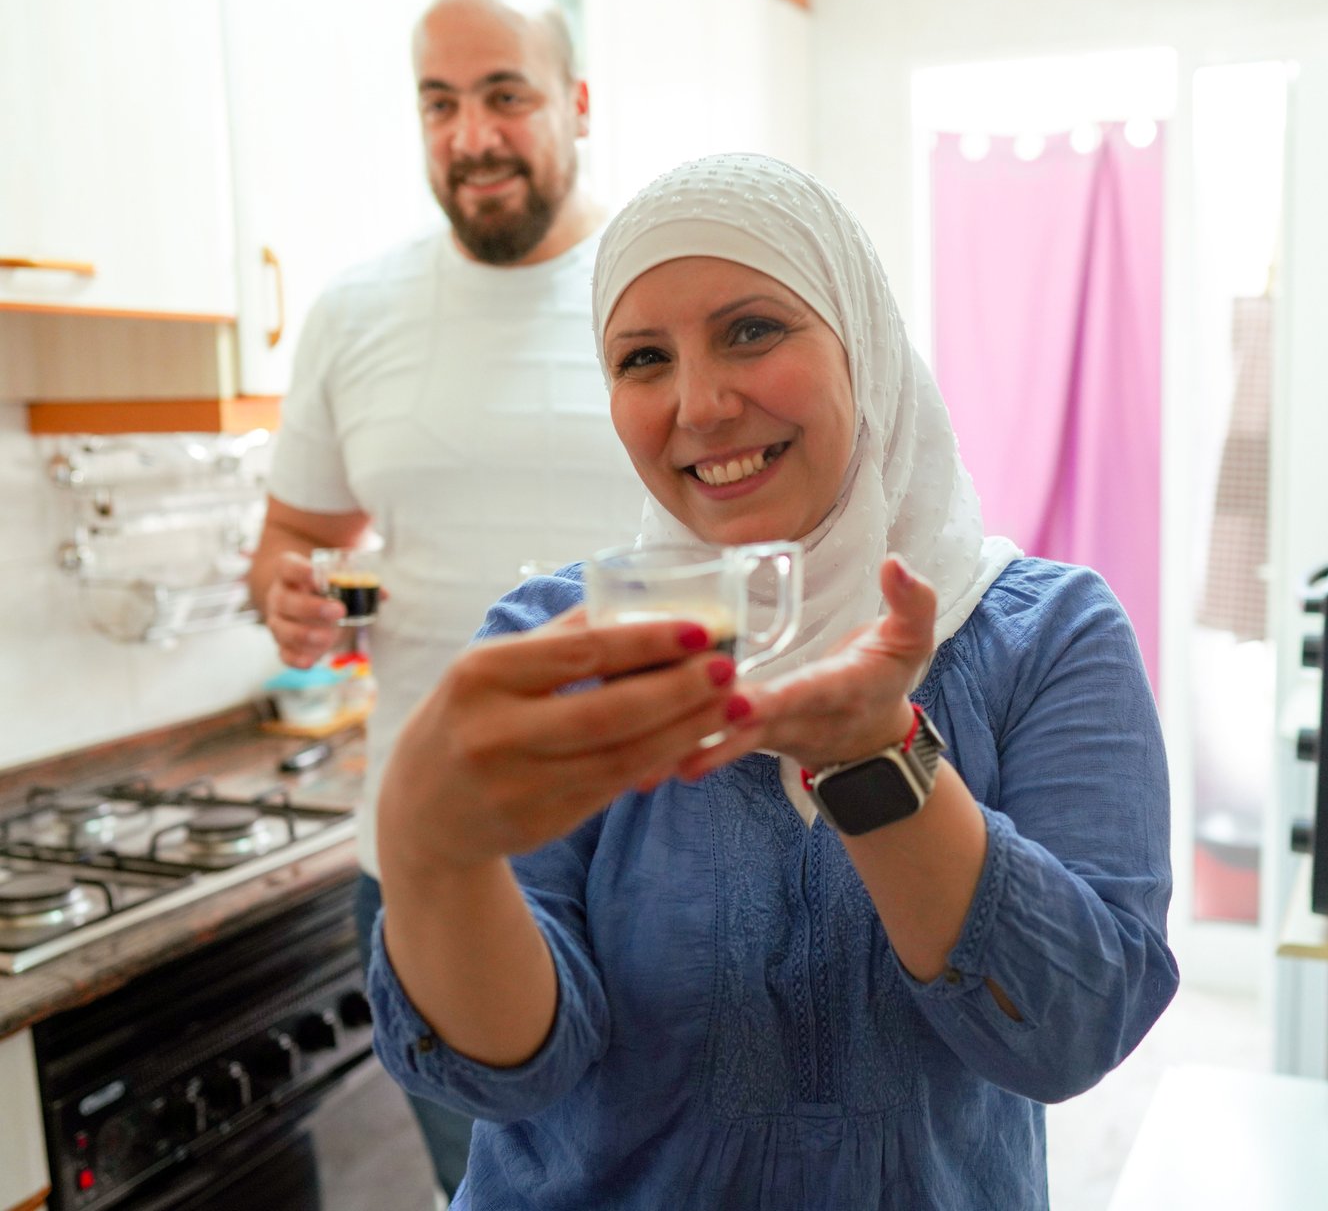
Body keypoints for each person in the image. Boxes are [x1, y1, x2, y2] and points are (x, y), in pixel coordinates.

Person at [368, 153, 1179, 1209]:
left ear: (862, 343)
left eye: (751, 329)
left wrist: (877, 756)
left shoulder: (1046, 635)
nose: (697, 404)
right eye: (642, 357)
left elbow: (1073, 1031)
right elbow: (513, 1068)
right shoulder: (557, 645)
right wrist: (432, 856)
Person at [246, 0, 645, 1199]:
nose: (470, 136)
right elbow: (289, 541)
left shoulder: (659, 290)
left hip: (660, 846)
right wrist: (291, 595)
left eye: (504, 96)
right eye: (438, 102)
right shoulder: (354, 311)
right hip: (430, 865)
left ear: (575, 105)